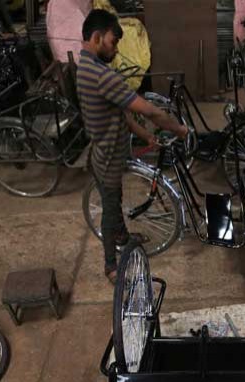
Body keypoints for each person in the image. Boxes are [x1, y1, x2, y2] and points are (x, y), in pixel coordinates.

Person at [77, 9, 187, 283]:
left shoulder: (87, 67)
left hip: (107, 151)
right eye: (113, 42)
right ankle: (111, 267)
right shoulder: (103, 76)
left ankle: (124, 237)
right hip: (107, 159)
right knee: (110, 210)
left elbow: (122, 113)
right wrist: (178, 128)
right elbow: (149, 110)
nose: (115, 50)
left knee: (114, 202)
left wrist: (145, 136)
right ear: (97, 37)